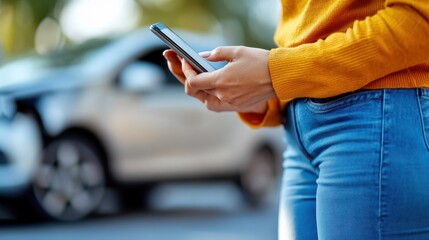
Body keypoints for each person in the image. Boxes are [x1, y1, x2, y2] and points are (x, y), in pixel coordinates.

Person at [163, 0, 429, 239]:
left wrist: (277, 72)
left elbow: (420, 21)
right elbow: (308, 34)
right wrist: (261, 95)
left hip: (373, 120)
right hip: (301, 134)